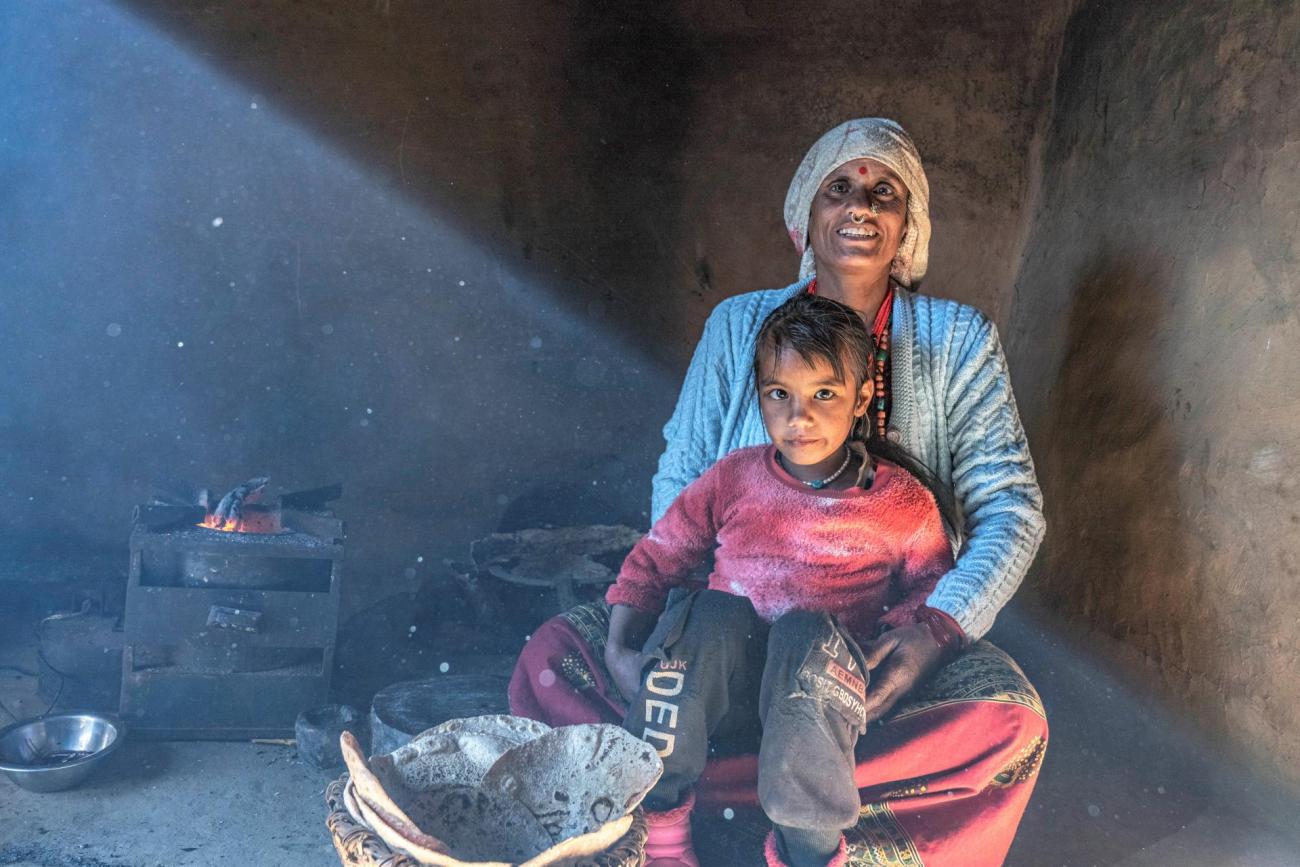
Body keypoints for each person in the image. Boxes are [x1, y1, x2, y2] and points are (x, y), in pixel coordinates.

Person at [510, 118, 1048, 867]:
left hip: (865, 648)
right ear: (807, 212)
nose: (861, 206)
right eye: (840, 187)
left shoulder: (959, 339)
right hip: (723, 628)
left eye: (883, 191)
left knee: (1006, 725)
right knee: (554, 658)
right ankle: (674, 812)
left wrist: (934, 630)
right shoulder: (738, 324)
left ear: (909, 226)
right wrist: (668, 625)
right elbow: (685, 476)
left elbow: (1011, 510)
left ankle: (797, 824)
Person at [606, 292, 956, 867]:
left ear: (861, 397)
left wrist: (892, 644)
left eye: (825, 394)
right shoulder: (734, 478)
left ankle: (809, 852)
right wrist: (620, 645)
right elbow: (658, 557)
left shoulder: (899, 502)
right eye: (779, 394)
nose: (800, 417)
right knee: (707, 613)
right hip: (718, 692)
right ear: (760, 397)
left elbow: (933, 590)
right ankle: (659, 838)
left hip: (817, 700)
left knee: (804, 635)